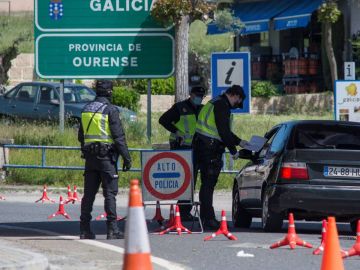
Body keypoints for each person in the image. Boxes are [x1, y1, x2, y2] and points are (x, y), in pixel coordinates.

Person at [78, 80, 132, 240]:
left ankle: (84, 229)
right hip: (106, 158)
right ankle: (112, 229)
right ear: (109, 92)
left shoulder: (86, 109)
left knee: (88, 195)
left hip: (90, 157)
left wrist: (86, 150)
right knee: (110, 193)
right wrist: (126, 158)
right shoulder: (110, 110)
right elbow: (118, 137)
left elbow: (81, 136)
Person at [194, 85, 248, 229]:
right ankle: (209, 219)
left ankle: (206, 217)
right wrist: (233, 151)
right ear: (236, 96)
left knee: (205, 184)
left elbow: (223, 131)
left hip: (202, 145)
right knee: (208, 184)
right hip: (210, 149)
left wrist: (240, 141)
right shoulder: (222, 105)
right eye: (238, 102)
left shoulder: (215, 102)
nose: (236, 106)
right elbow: (223, 131)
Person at [159, 85, 206, 220]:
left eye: (201, 97)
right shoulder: (180, 107)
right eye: (197, 96)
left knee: (192, 180)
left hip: (196, 148)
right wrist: (176, 132)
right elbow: (163, 120)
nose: (199, 98)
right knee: (186, 179)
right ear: (190, 95)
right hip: (181, 148)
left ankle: (184, 210)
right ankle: (183, 212)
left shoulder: (202, 109)